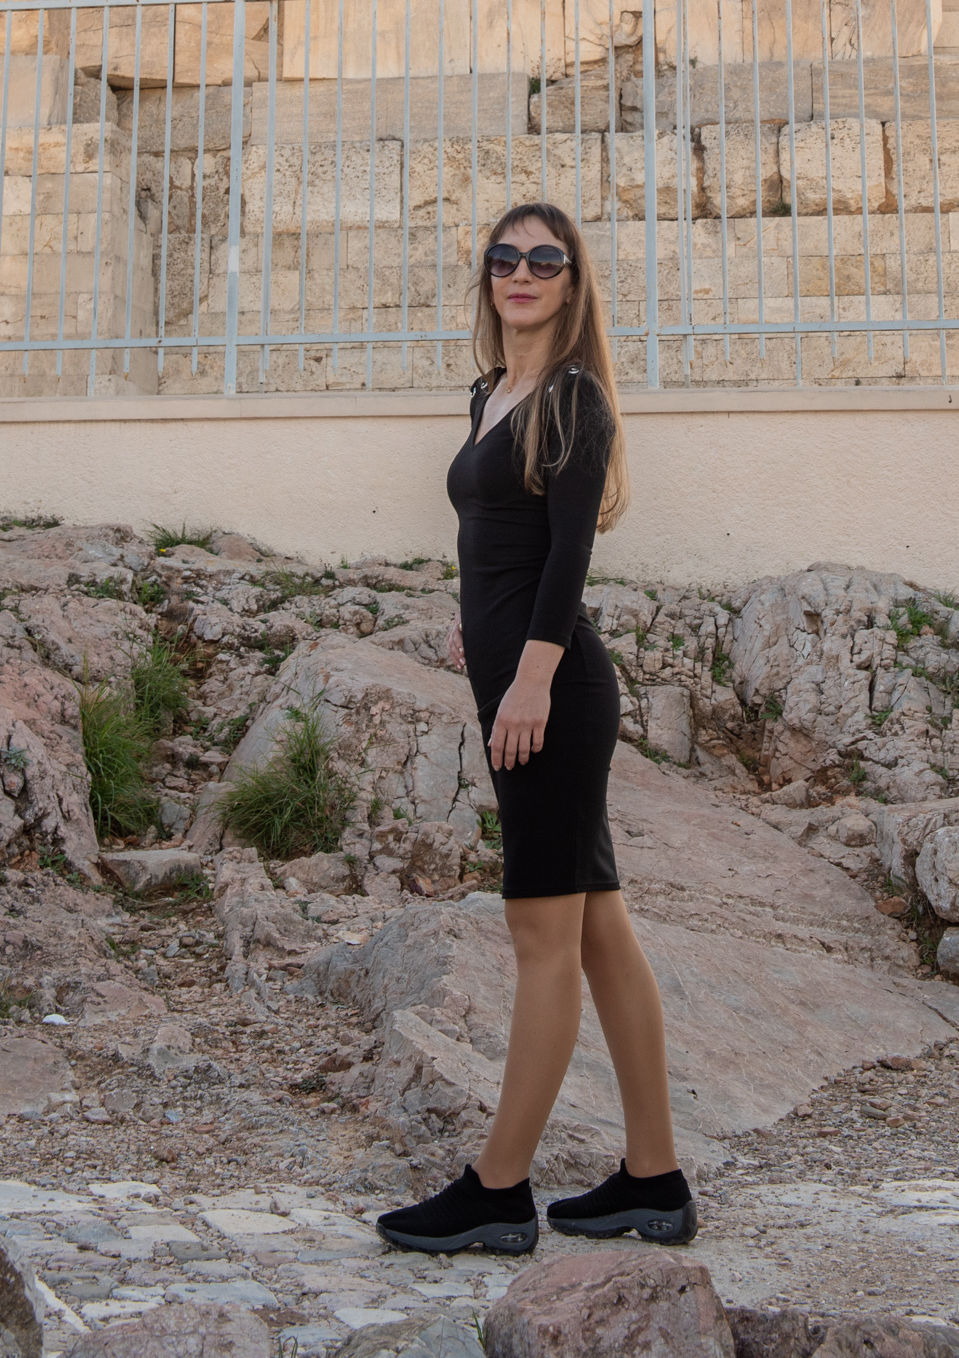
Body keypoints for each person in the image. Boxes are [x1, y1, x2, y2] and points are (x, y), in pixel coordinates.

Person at [376, 202, 697, 1257]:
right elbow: (489, 542)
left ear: (569, 281)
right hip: (514, 674)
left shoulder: (572, 398)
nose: (521, 271)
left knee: (541, 933)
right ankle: (653, 1177)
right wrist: (476, 635)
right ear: (489, 276)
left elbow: (565, 556)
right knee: (598, 925)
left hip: (551, 694)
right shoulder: (488, 393)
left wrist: (530, 677)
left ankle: (498, 1186)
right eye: (505, 256)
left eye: (543, 258)